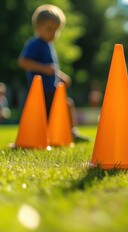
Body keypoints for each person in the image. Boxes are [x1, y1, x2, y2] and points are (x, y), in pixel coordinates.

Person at [18, 4, 89, 142]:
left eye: (56, 31)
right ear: (38, 28)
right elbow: (23, 62)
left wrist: (61, 76)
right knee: (55, 109)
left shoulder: (48, 45)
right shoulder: (35, 43)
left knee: (65, 105)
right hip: (41, 90)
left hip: (51, 88)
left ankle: (69, 133)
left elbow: (51, 69)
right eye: (49, 29)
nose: (53, 34)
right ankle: (66, 134)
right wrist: (44, 69)